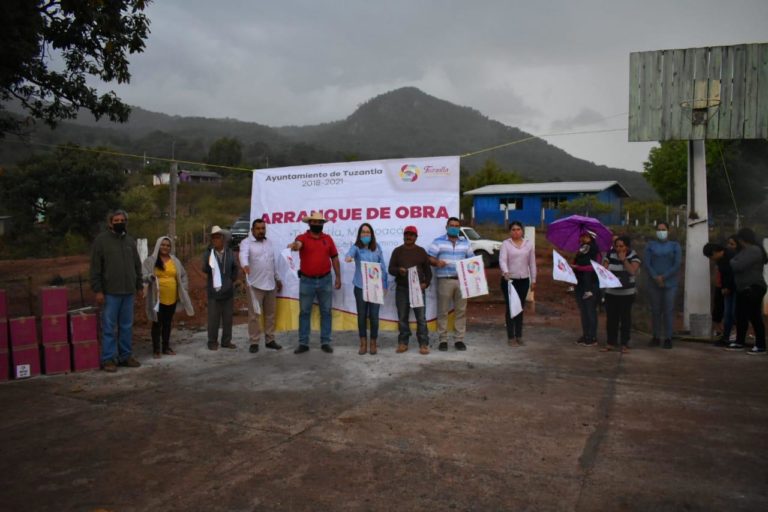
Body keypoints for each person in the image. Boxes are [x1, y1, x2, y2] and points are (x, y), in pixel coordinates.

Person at [90, 209, 143, 372]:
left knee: (126, 326)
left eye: (122, 220)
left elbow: (137, 265)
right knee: (109, 327)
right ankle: (108, 359)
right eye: (116, 220)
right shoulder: (101, 241)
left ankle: (125, 356)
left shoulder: (130, 241)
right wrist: (98, 290)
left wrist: (139, 286)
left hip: (128, 291)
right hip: (110, 292)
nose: (120, 223)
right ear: (110, 223)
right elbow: (95, 268)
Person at [287, 211, 341, 354]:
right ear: (309, 223)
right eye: (314, 222)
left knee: (326, 312)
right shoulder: (302, 237)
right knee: (304, 312)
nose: (317, 224)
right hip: (307, 281)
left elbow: (334, 258)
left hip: (325, 280)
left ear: (323, 224)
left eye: (320, 222)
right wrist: (294, 246)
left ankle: (326, 342)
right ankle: (303, 343)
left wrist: (338, 277)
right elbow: (298, 244)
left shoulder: (328, 239)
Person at [142, 236, 195, 358]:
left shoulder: (175, 261)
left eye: (167, 245)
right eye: (163, 244)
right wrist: (149, 277)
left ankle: (166, 347)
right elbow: (143, 275)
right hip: (157, 298)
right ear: (158, 245)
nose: (165, 247)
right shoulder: (150, 261)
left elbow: (183, 275)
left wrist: (184, 288)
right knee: (157, 323)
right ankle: (156, 349)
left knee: (167, 323)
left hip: (171, 297)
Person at [427, 217, 475, 351]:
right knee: (443, 311)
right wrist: (436, 262)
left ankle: (459, 339)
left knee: (461, 311)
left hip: (462, 281)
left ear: (459, 228)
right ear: (447, 227)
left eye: (456, 225)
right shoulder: (438, 242)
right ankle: (443, 340)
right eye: (451, 225)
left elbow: (472, 261)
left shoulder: (466, 243)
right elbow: (429, 257)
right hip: (445, 280)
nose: (454, 227)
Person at [239, 218, 283, 354]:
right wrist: (245, 265)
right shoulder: (246, 243)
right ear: (252, 230)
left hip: (270, 284)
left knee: (270, 314)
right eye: (258, 229)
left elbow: (272, 262)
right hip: (255, 285)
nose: (260, 231)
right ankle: (254, 341)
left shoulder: (269, 243)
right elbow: (243, 255)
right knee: (254, 316)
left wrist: (277, 279)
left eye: (263, 228)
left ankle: (270, 340)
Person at [345, 223, 388, 355]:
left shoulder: (377, 248)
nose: (365, 234)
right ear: (359, 234)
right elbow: (348, 255)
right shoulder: (356, 247)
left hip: (375, 288)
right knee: (362, 316)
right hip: (360, 287)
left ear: (371, 234)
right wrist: (349, 257)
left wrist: (385, 285)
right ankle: (363, 343)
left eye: (368, 232)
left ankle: (373, 343)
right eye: (363, 232)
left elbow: (383, 267)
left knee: (374, 317)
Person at [389, 225, 432, 354]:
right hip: (402, 289)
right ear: (404, 236)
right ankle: (403, 343)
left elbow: (428, 272)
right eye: (407, 234)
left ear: (416, 237)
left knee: (421, 318)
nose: (409, 237)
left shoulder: (421, 251)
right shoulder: (397, 251)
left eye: (412, 235)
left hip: (418, 290)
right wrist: (398, 271)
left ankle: (423, 344)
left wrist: (426, 283)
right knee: (402, 317)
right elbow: (391, 269)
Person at [726, 228, 767, 355]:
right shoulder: (745, 251)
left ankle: (760, 345)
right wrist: (734, 261)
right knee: (741, 316)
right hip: (743, 288)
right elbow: (736, 262)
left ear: (743, 239)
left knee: (754, 317)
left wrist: (733, 261)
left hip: (753, 287)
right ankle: (739, 342)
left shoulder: (754, 250)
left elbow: (738, 265)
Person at [643, 222, 681, 349]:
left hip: (670, 283)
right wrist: (656, 277)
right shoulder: (650, 245)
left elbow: (676, 264)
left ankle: (668, 338)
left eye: (663, 229)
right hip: (653, 283)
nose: (661, 231)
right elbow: (647, 264)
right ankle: (656, 336)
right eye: (659, 229)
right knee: (655, 311)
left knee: (668, 311)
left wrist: (664, 277)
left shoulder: (675, 246)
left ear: (668, 231)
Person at [498, 221, 536, 346]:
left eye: (518, 229)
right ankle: (511, 337)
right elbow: (502, 260)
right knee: (510, 308)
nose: (516, 231)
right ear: (510, 231)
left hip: (524, 280)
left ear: (522, 231)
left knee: (520, 308)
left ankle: (519, 335)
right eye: (513, 229)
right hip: (509, 281)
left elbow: (532, 263)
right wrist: (506, 272)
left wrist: (533, 279)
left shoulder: (528, 245)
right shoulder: (506, 244)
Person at [602, 235, 641, 353]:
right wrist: (605, 266)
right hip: (611, 292)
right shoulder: (610, 254)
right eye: (616, 246)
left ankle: (625, 343)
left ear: (627, 246)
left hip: (626, 293)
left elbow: (632, 271)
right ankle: (611, 342)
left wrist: (624, 259)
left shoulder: (633, 256)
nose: (618, 248)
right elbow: (604, 268)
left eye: (621, 246)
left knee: (625, 319)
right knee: (611, 319)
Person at [203, 225, 239, 351]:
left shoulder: (229, 252)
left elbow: (235, 267)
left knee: (228, 318)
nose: (215, 240)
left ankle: (226, 341)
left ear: (223, 239)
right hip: (214, 292)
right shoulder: (209, 253)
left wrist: (231, 280)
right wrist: (209, 260)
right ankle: (212, 342)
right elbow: (204, 269)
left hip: (228, 291)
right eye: (213, 238)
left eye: (218, 237)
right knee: (213, 319)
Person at [703, 240, 736, 347]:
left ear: (715, 252)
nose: (711, 259)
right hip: (724, 288)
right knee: (726, 313)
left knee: (733, 313)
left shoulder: (731, 256)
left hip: (735, 289)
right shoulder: (720, 260)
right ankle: (725, 337)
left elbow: (732, 274)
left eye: (710, 256)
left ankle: (735, 336)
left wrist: (727, 287)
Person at [572, 229, 600, 346]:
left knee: (590, 310)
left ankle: (592, 336)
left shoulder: (595, 251)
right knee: (583, 310)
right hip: (580, 283)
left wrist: (578, 268)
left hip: (591, 283)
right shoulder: (581, 251)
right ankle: (585, 334)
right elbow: (576, 263)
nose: (583, 239)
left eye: (586, 237)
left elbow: (595, 267)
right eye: (582, 236)